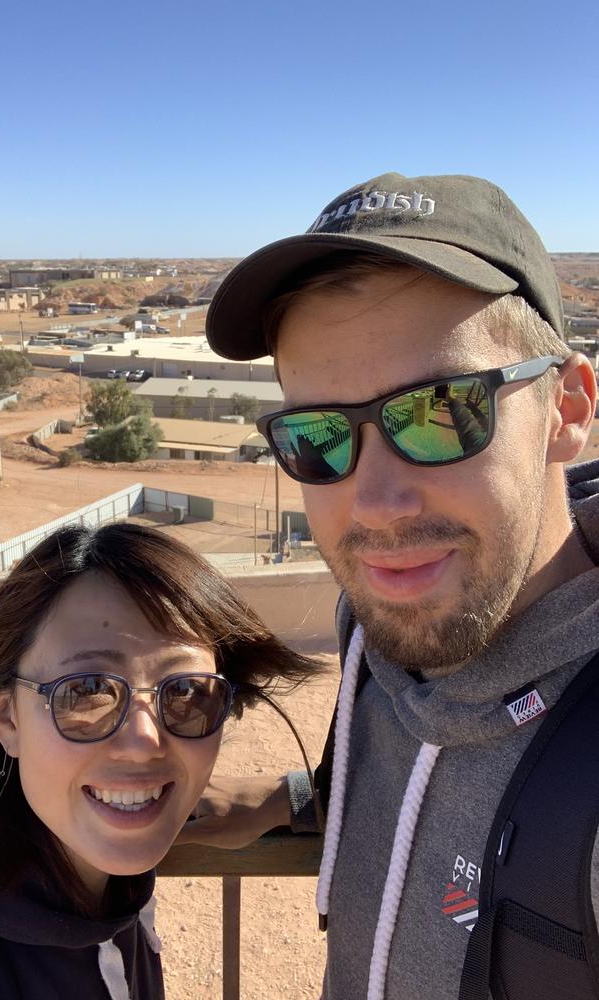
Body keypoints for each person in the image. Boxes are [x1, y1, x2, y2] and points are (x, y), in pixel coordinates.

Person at [186, 172, 599, 999]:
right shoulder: (378, 622)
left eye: (442, 411)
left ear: (568, 408)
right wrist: (300, 797)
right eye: (317, 437)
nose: (376, 505)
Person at [0, 521, 317, 999]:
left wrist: (297, 798)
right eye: (87, 691)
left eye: (186, 692)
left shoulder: (93, 876)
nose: (143, 741)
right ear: (4, 713)